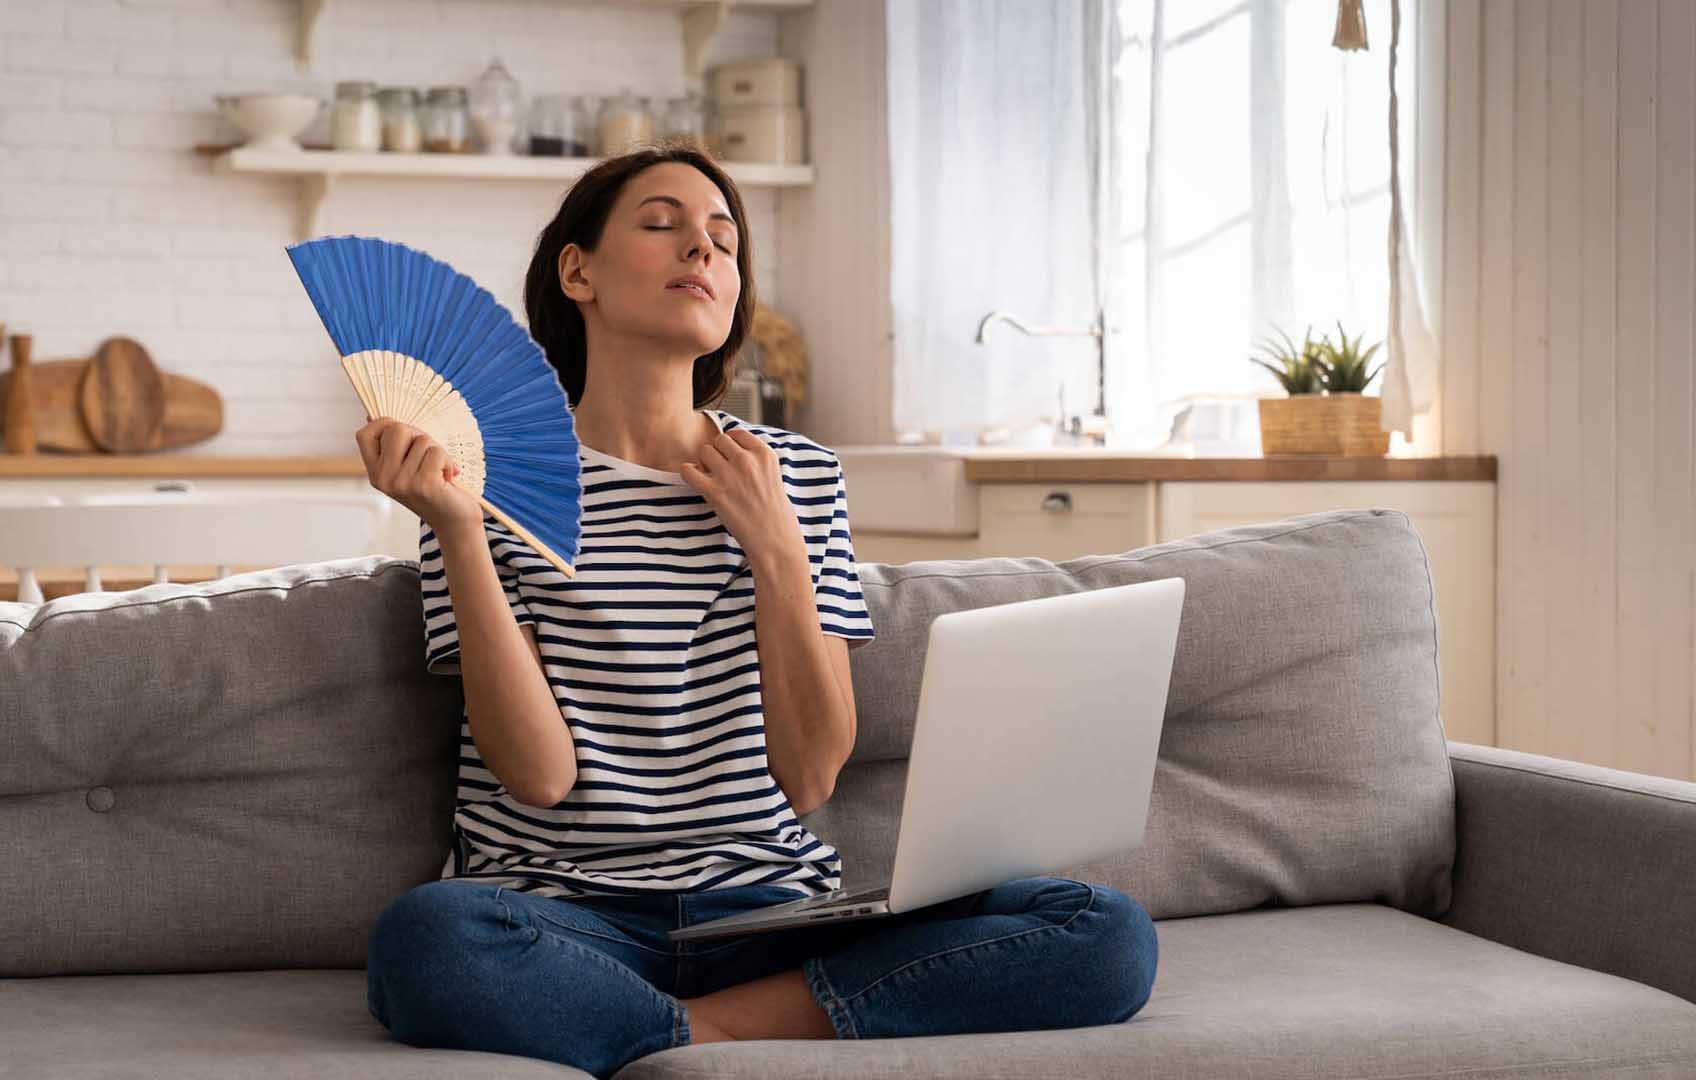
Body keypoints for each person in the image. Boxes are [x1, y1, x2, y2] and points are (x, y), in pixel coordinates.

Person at [354, 144, 1157, 1078]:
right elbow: (537, 776)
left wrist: (776, 546)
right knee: (427, 940)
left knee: (1104, 934)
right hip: (566, 914)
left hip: (768, 915)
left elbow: (811, 773)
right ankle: (741, 1034)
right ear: (579, 271)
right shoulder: (482, 486)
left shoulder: (799, 476)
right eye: (662, 225)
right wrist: (456, 530)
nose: (701, 248)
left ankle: (683, 1036)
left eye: (724, 240)